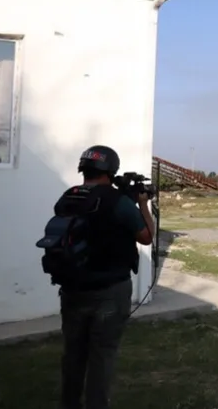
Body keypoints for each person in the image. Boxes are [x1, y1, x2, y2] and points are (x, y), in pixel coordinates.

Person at [55, 145, 155, 409]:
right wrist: (143, 204)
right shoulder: (117, 201)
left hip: (72, 287)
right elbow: (146, 236)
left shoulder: (69, 196)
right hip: (109, 290)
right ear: (111, 170)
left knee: (73, 354)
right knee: (102, 356)